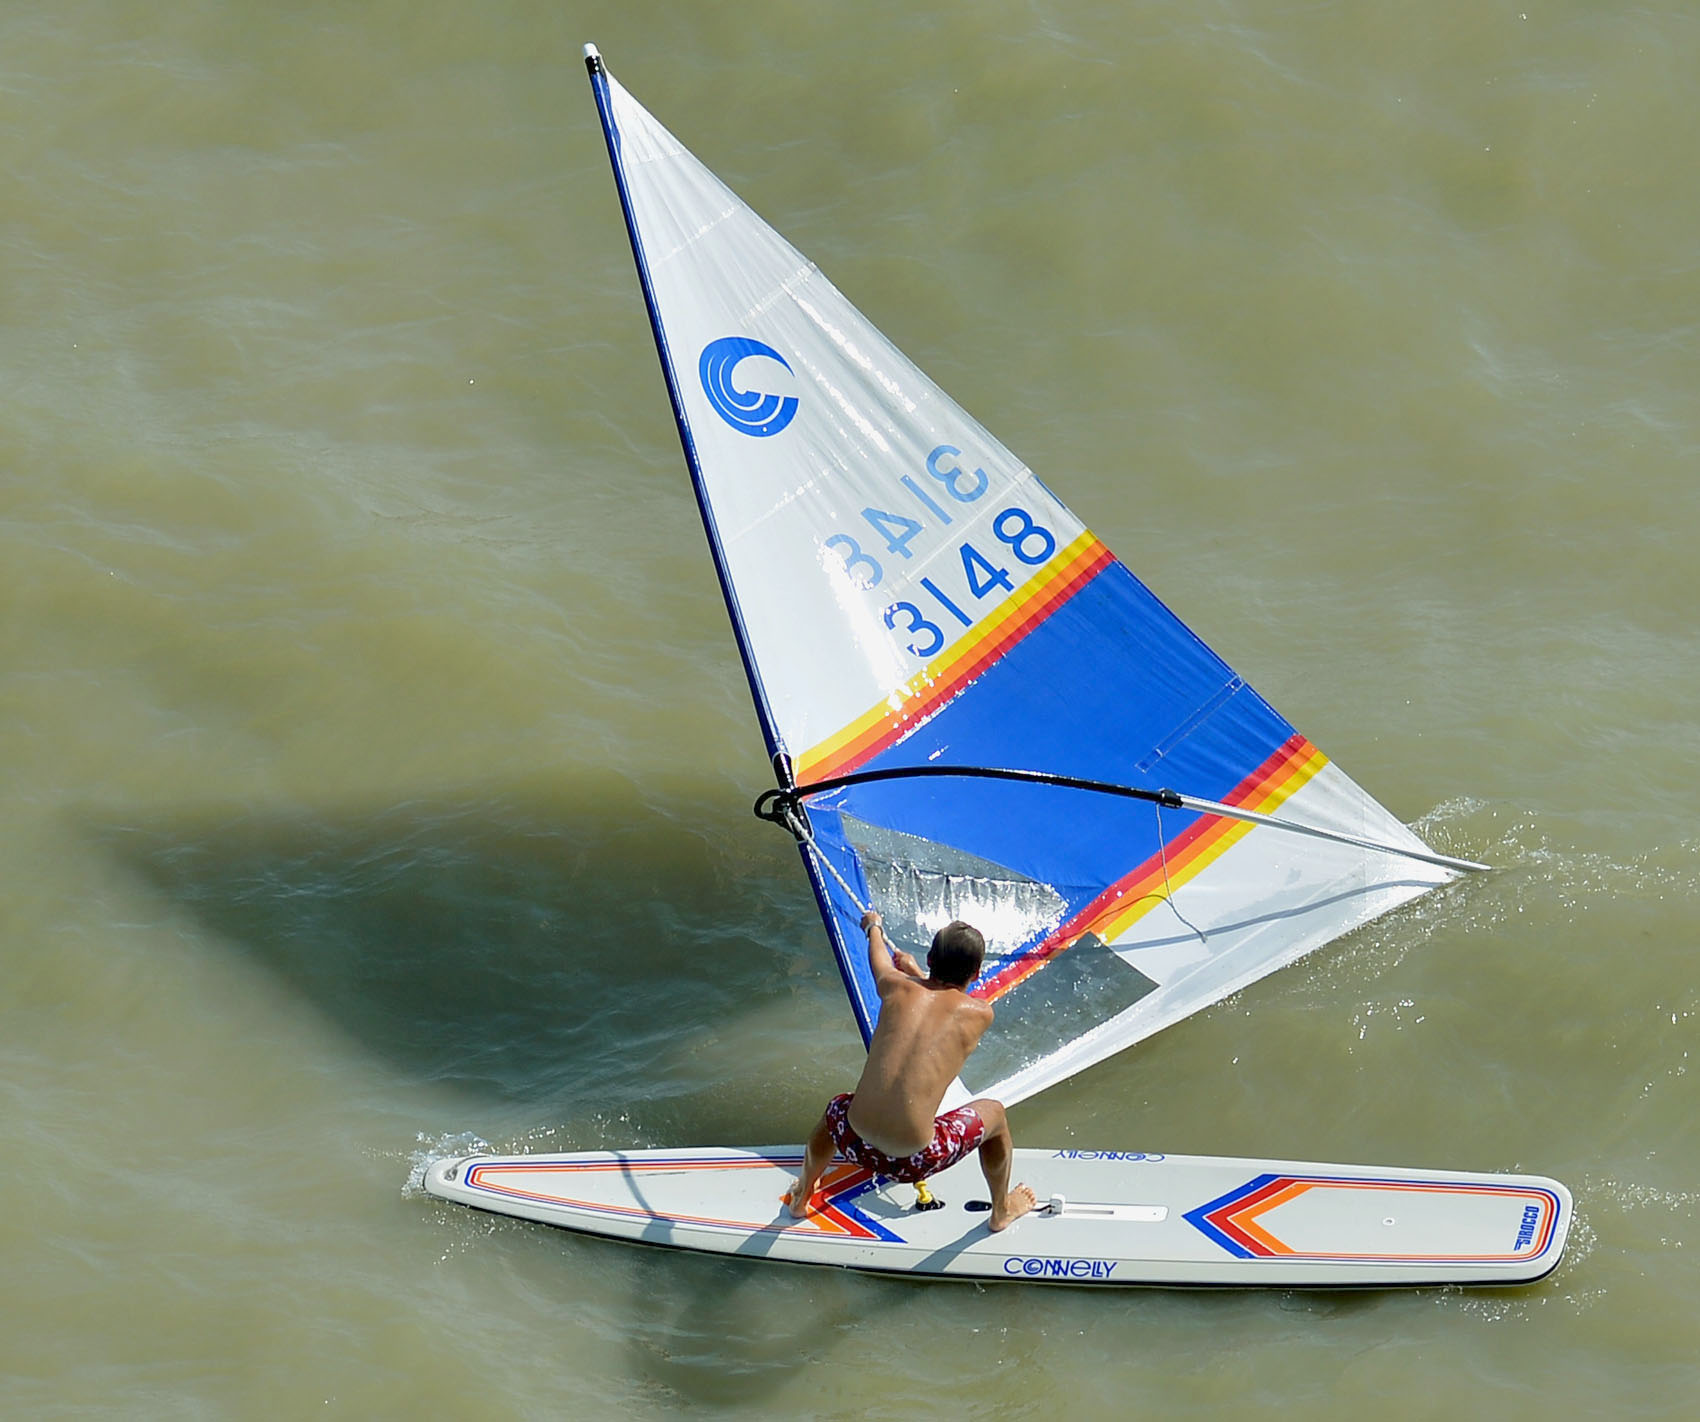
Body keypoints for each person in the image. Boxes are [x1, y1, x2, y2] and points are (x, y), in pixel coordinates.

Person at [785, 909, 1037, 1232]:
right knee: (996, 1114)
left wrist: (874, 927)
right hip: (914, 1162)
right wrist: (917, 973)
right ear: (976, 974)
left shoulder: (895, 986)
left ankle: (802, 1195)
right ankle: (1001, 1211)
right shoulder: (980, 1013)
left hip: (853, 1142)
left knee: (837, 1106)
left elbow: (879, 960)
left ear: (931, 958)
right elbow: (946, 1004)